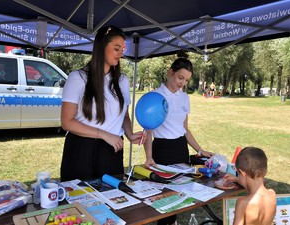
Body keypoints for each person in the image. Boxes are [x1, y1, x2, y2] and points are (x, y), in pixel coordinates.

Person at [60, 25, 143, 182]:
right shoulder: (78, 77)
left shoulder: (123, 80)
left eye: (123, 49)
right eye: (116, 48)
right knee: (79, 201)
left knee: (112, 198)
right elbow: (66, 122)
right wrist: (104, 135)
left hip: (112, 150)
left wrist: (129, 133)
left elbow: (124, 115)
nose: (121, 53)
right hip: (82, 149)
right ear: (101, 47)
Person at [143, 52, 214, 225]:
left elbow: (185, 128)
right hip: (162, 150)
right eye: (180, 78)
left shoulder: (184, 97)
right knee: (164, 198)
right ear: (170, 72)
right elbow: (148, 131)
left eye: (186, 80)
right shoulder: (155, 96)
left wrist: (199, 150)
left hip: (180, 149)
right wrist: (149, 157)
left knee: (180, 195)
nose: (182, 83)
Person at [224, 147, 276, 225]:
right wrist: (237, 179)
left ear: (242, 173)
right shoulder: (272, 194)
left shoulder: (243, 203)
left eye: (238, 174)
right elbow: (250, 181)